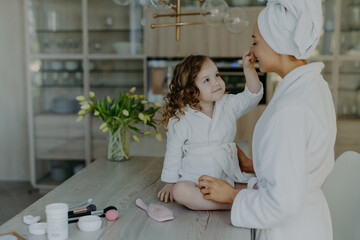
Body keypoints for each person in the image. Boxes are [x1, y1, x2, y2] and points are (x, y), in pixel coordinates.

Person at [198, 0, 337, 239]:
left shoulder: (290, 109)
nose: (251, 51)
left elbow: (280, 204)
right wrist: (255, 166)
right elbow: (302, 160)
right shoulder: (313, 86)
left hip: (290, 230)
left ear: (278, 43)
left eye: (255, 42)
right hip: (311, 220)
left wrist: (232, 196)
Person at [157, 53, 263, 210]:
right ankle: (233, 203)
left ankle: (232, 197)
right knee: (180, 191)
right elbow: (173, 153)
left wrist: (249, 69)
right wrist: (169, 184)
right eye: (206, 80)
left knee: (260, 184)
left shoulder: (228, 104)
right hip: (195, 178)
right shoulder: (180, 119)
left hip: (227, 174)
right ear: (190, 90)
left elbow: (252, 96)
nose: (217, 82)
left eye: (217, 75)